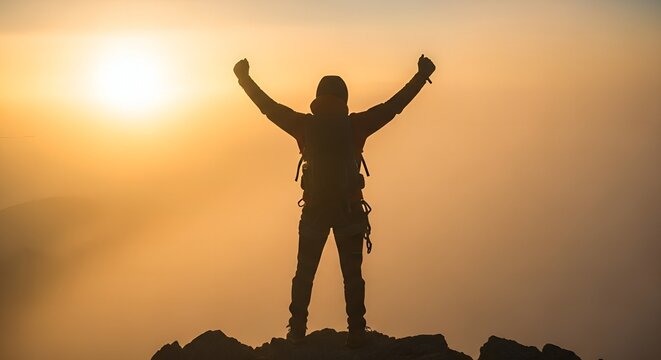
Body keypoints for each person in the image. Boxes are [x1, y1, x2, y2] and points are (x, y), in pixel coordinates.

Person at [234, 54, 435, 348]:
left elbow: (268, 108)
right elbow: (394, 107)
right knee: (352, 277)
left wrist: (244, 78)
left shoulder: (304, 126)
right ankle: (356, 331)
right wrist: (420, 76)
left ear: (318, 99)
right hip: (349, 213)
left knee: (304, 275)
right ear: (344, 100)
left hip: (314, 211)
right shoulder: (357, 126)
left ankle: (297, 332)